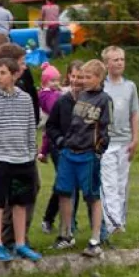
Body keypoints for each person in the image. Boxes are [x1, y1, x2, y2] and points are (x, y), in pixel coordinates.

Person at [0, 57, 41, 262]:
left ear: (15, 75)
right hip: (2, 161)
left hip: (23, 159)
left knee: (20, 204)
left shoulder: (25, 99)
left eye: (3, 73)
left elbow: (30, 128)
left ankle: (20, 244)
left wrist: (31, 153)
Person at [53, 60, 113, 258]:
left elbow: (106, 128)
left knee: (92, 196)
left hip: (88, 155)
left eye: (88, 77)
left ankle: (95, 239)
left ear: (99, 78)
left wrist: (98, 150)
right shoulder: (82, 96)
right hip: (69, 152)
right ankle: (66, 234)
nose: (84, 81)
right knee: (63, 191)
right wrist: (65, 143)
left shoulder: (105, 100)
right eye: (82, 76)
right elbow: (74, 124)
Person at [100, 46, 139, 242]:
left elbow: (135, 113)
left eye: (122, 59)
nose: (119, 63)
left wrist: (136, 138)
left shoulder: (130, 86)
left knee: (121, 184)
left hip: (125, 142)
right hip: (106, 143)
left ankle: (120, 223)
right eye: (115, 60)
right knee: (108, 184)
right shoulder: (101, 86)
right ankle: (112, 223)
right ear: (106, 63)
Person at [44, 61, 85, 248]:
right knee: (66, 189)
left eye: (80, 77)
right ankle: (66, 230)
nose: (76, 80)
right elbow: (51, 126)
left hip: (87, 153)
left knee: (89, 192)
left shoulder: (93, 101)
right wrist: (60, 141)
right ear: (69, 77)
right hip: (65, 152)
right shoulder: (62, 101)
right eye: (73, 76)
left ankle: (97, 233)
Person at [36, 62, 68, 236]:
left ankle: (59, 220)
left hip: (56, 141)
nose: (56, 83)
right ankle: (49, 218)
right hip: (56, 142)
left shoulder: (55, 94)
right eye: (52, 81)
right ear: (45, 82)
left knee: (64, 183)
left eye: (57, 80)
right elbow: (55, 112)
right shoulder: (48, 96)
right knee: (62, 182)